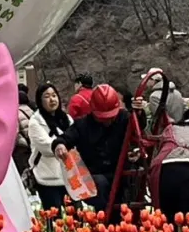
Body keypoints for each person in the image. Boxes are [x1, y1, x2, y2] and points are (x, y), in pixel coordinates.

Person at [55, 83, 145, 214]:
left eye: (111, 117)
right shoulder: (83, 125)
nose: (107, 121)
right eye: (102, 118)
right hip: (96, 178)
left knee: (133, 182)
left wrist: (139, 113)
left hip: (122, 174)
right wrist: (60, 145)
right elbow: (65, 138)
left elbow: (138, 126)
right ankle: (105, 217)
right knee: (100, 185)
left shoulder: (124, 118)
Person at [27, 82, 69, 217]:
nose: (52, 99)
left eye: (54, 95)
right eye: (47, 96)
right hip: (47, 177)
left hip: (69, 176)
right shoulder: (35, 122)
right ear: (40, 100)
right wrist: (62, 145)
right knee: (54, 218)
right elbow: (46, 146)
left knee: (75, 218)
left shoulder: (66, 119)